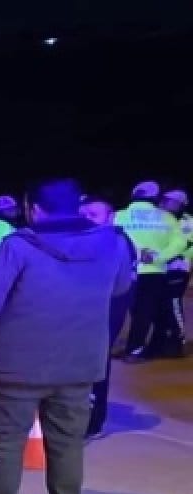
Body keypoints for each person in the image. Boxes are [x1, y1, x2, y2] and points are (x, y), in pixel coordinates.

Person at [0, 179, 133, 494]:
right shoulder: (113, 242)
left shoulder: (18, 246)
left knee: (6, 441)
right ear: (78, 206)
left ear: (33, 209)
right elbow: (121, 288)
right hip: (80, 362)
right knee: (67, 441)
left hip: (16, 364)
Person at [79, 195, 135, 438]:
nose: (87, 219)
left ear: (110, 217)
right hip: (81, 312)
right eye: (83, 214)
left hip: (106, 310)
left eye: (93, 214)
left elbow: (122, 286)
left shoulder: (117, 241)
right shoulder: (81, 239)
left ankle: (93, 420)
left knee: (96, 364)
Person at [113, 181, 184, 363]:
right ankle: (134, 350)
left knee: (117, 311)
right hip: (154, 272)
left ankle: (110, 347)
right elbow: (180, 243)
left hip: (124, 272)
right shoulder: (167, 218)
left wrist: (134, 256)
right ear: (155, 197)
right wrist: (158, 257)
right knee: (145, 313)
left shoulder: (118, 216)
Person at [154, 189, 191, 357]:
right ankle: (161, 342)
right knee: (160, 307)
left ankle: (178, 343)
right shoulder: (159, 219)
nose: (164, 203)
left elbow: (187, 246)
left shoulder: (188, 222)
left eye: (169, 201)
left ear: (180, 204)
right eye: (164, 199)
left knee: (174, 305)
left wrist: (173, 255)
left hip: (178, 269)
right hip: (158, 268)